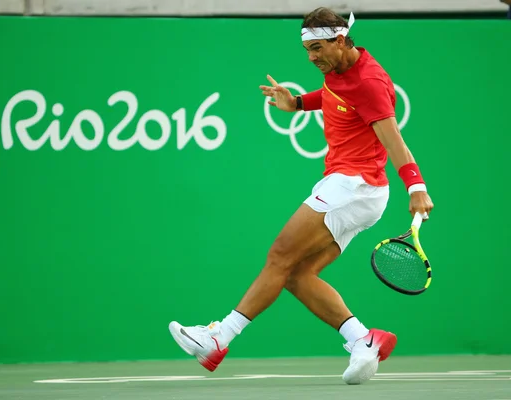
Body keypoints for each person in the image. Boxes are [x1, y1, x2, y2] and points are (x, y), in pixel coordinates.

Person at [169, 7, 434, 385]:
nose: (312, 58)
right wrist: (296, 104)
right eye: (307, 51)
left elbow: (395, 141)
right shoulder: (341, 70)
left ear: (340, 40)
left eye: (317, 49)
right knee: (295, 274)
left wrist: (417, 187)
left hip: (353, 184)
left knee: (279, 254)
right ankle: (363, 340)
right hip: (357, 189)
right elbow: (334, 96)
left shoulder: (370, 82)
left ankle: (218, 338)